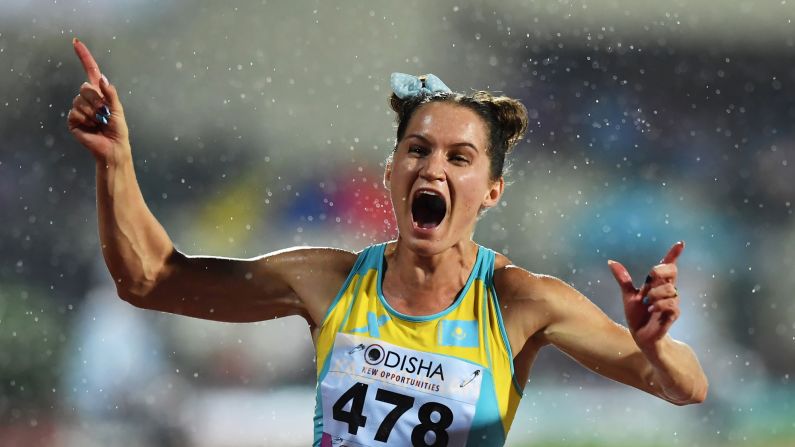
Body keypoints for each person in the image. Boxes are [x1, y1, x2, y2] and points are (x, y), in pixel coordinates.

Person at [67, 37, 708, 447]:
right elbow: (148, 279)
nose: (433, 169)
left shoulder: (521, 301)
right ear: (391, 172)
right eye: (417, 150)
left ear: (491, 192)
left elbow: (684, 389)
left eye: (460, 158)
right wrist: (114, 163)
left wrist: (654, 345)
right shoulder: (327, 279)